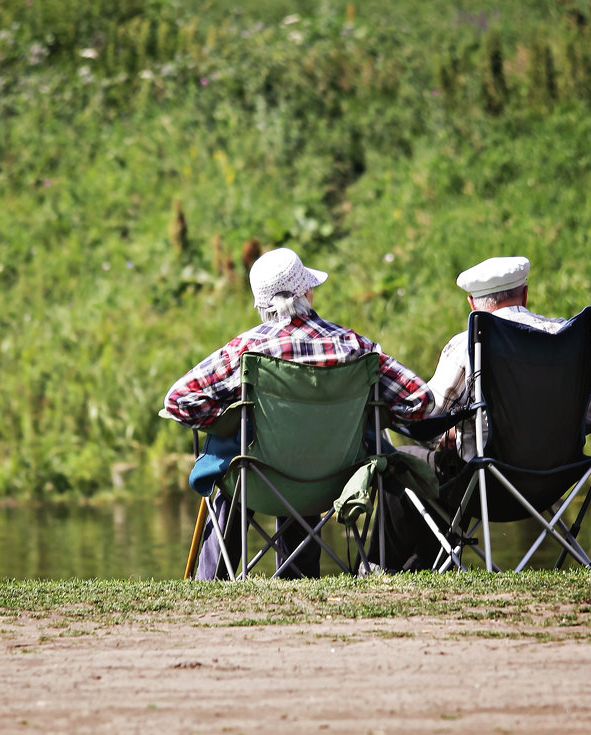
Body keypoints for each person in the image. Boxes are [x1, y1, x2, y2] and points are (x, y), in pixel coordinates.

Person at [162, 247, 436, 579]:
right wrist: (368, 415)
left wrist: (226, 420)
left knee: (240, 459)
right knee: (301, 451)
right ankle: (300, 575)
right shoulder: (356, 348)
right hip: (337, 479)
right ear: (307, 291)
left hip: (261, 480)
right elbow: (421, 401)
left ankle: (213, 578)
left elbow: (178, 401)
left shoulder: (245, 351)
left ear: (262, 306)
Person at [404, 255, 591, 477]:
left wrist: (449, 436)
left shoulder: (467, 346)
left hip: (488, 483)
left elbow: (424, 418)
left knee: (399, 462)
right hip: (557, 478)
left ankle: (451, 528)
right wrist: (576, 421)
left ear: (472, 304)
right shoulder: (567, 335)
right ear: (525, 294)